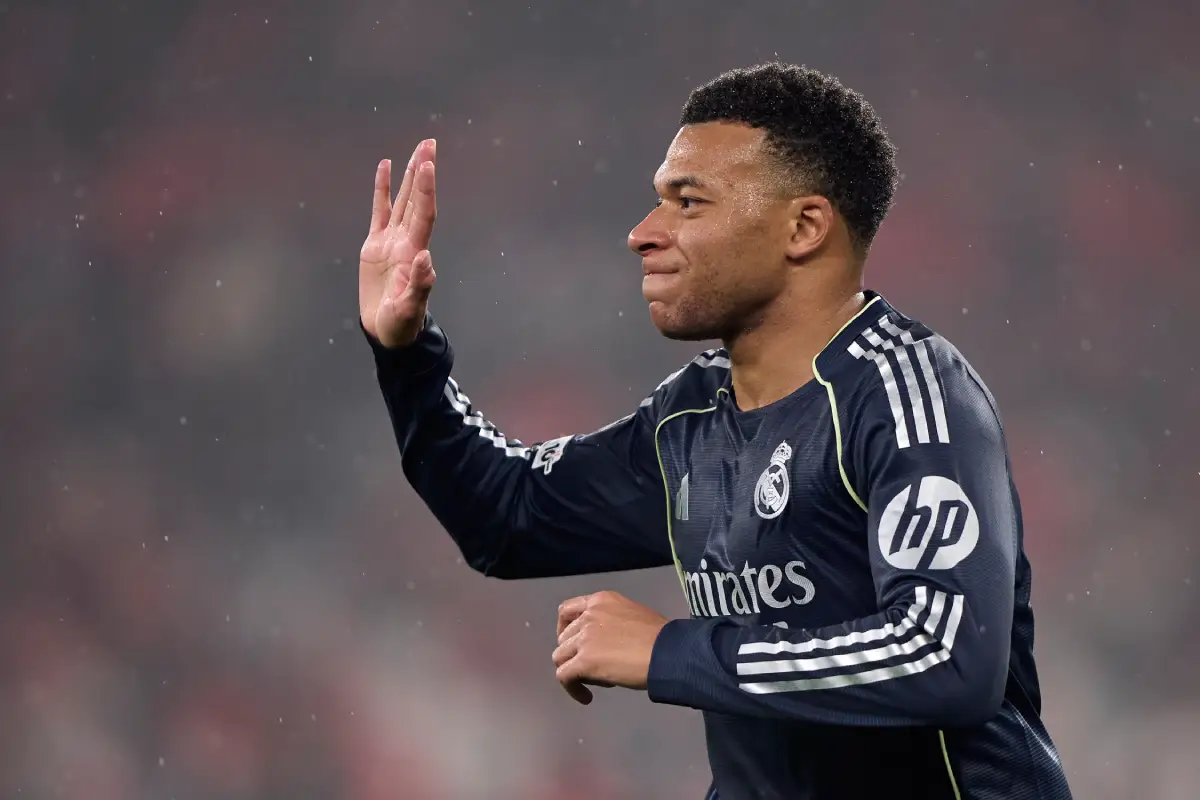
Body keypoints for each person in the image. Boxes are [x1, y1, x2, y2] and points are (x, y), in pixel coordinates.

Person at [358, 63, 1073, 799]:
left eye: (687, 202)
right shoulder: (694, 416)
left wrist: (671, 651)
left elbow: (945, 657)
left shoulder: (906, 394)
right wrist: (406, 354)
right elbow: (507, 519)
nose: (642, 233)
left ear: (803, 227)